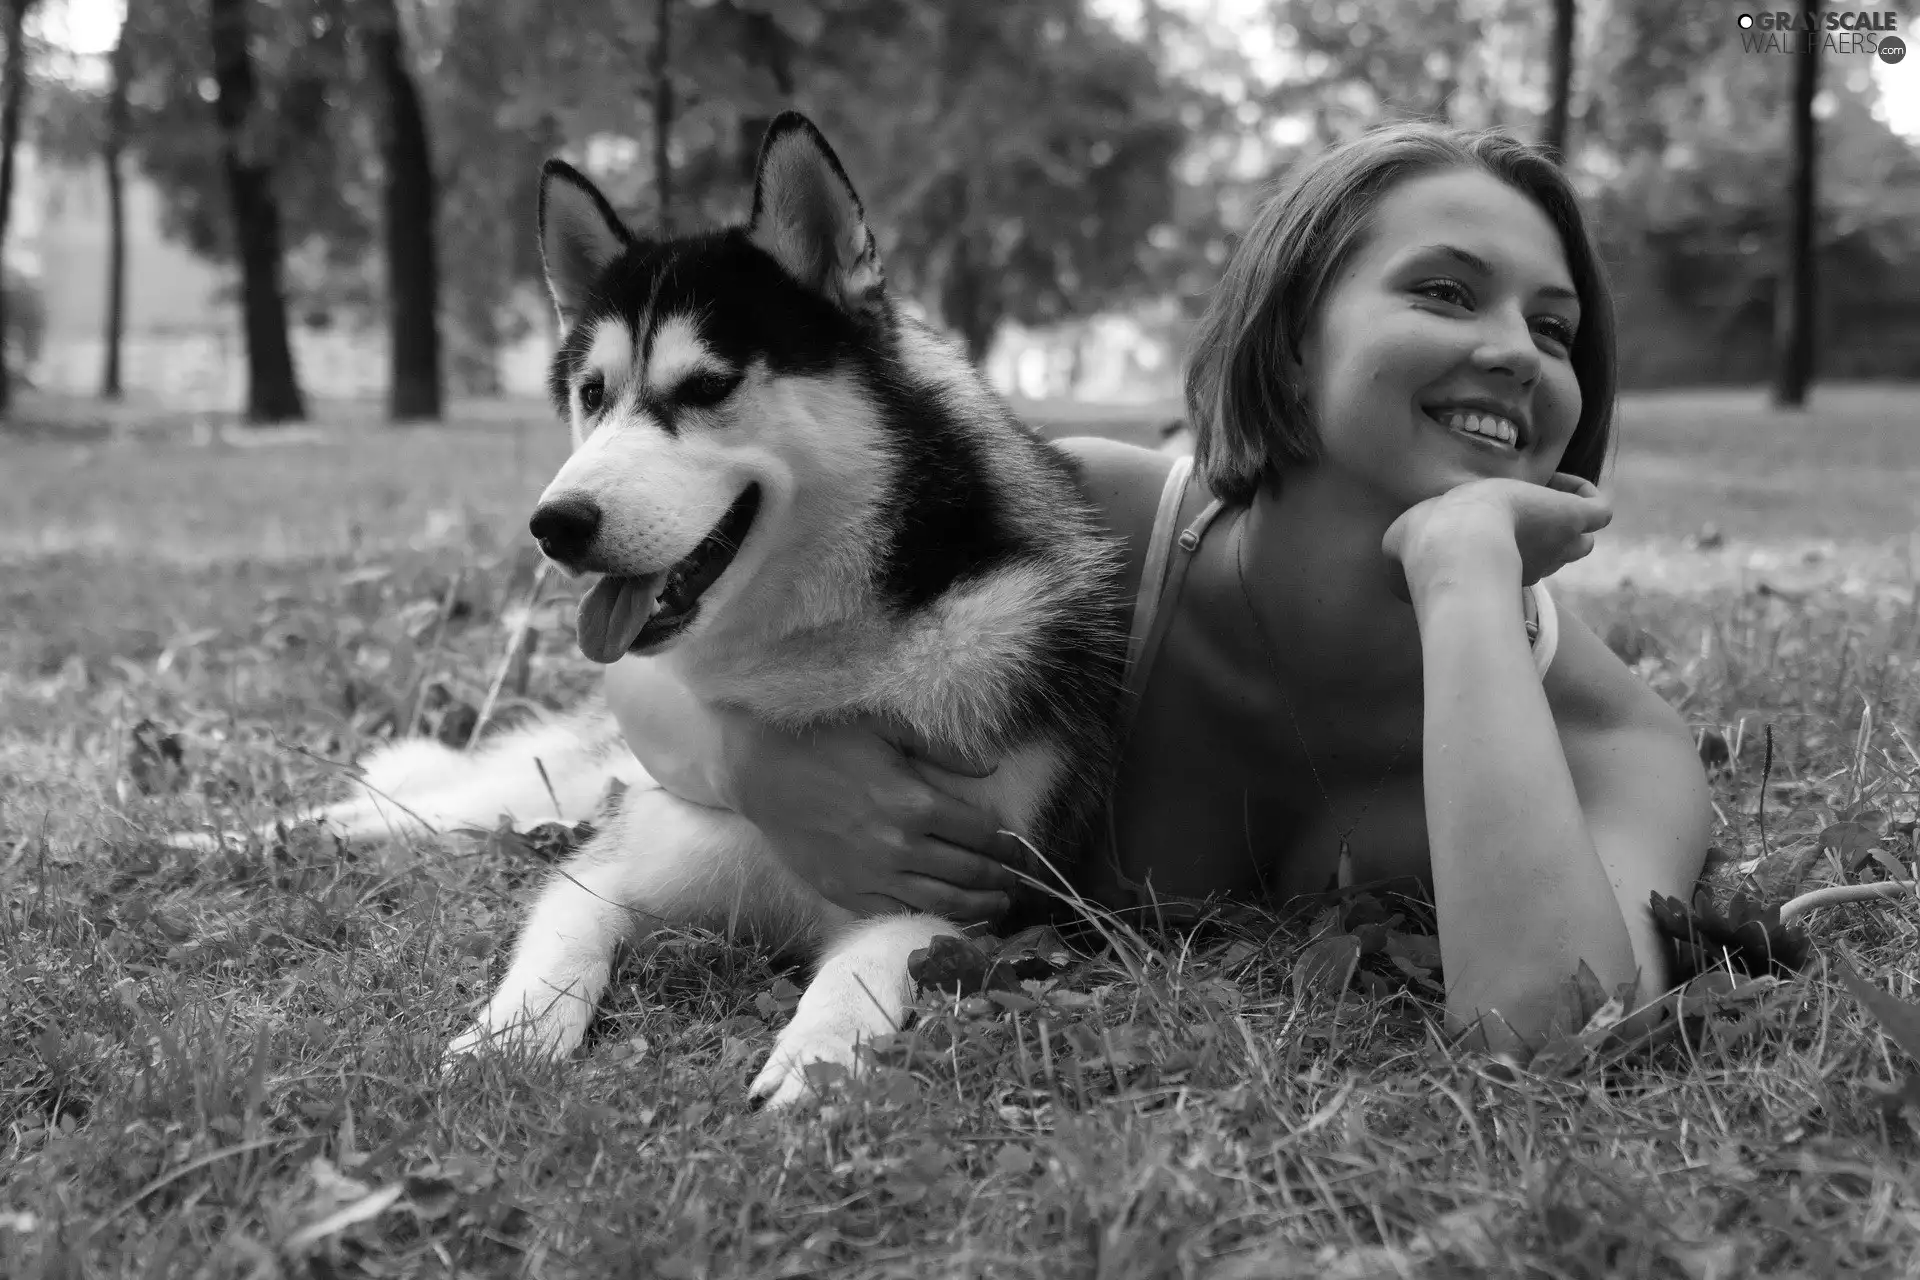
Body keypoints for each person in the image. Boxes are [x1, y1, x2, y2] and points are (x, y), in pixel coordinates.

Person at [603, 121, 1712, 1049]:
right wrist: (759, 763)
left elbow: (1553, 1030)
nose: (1519, 351)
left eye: (1556, 328)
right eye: (1445, 289)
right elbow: (647, 674)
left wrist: (1465, 573)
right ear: (1287, 344)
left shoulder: (1616, 741)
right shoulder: (1080, 518)